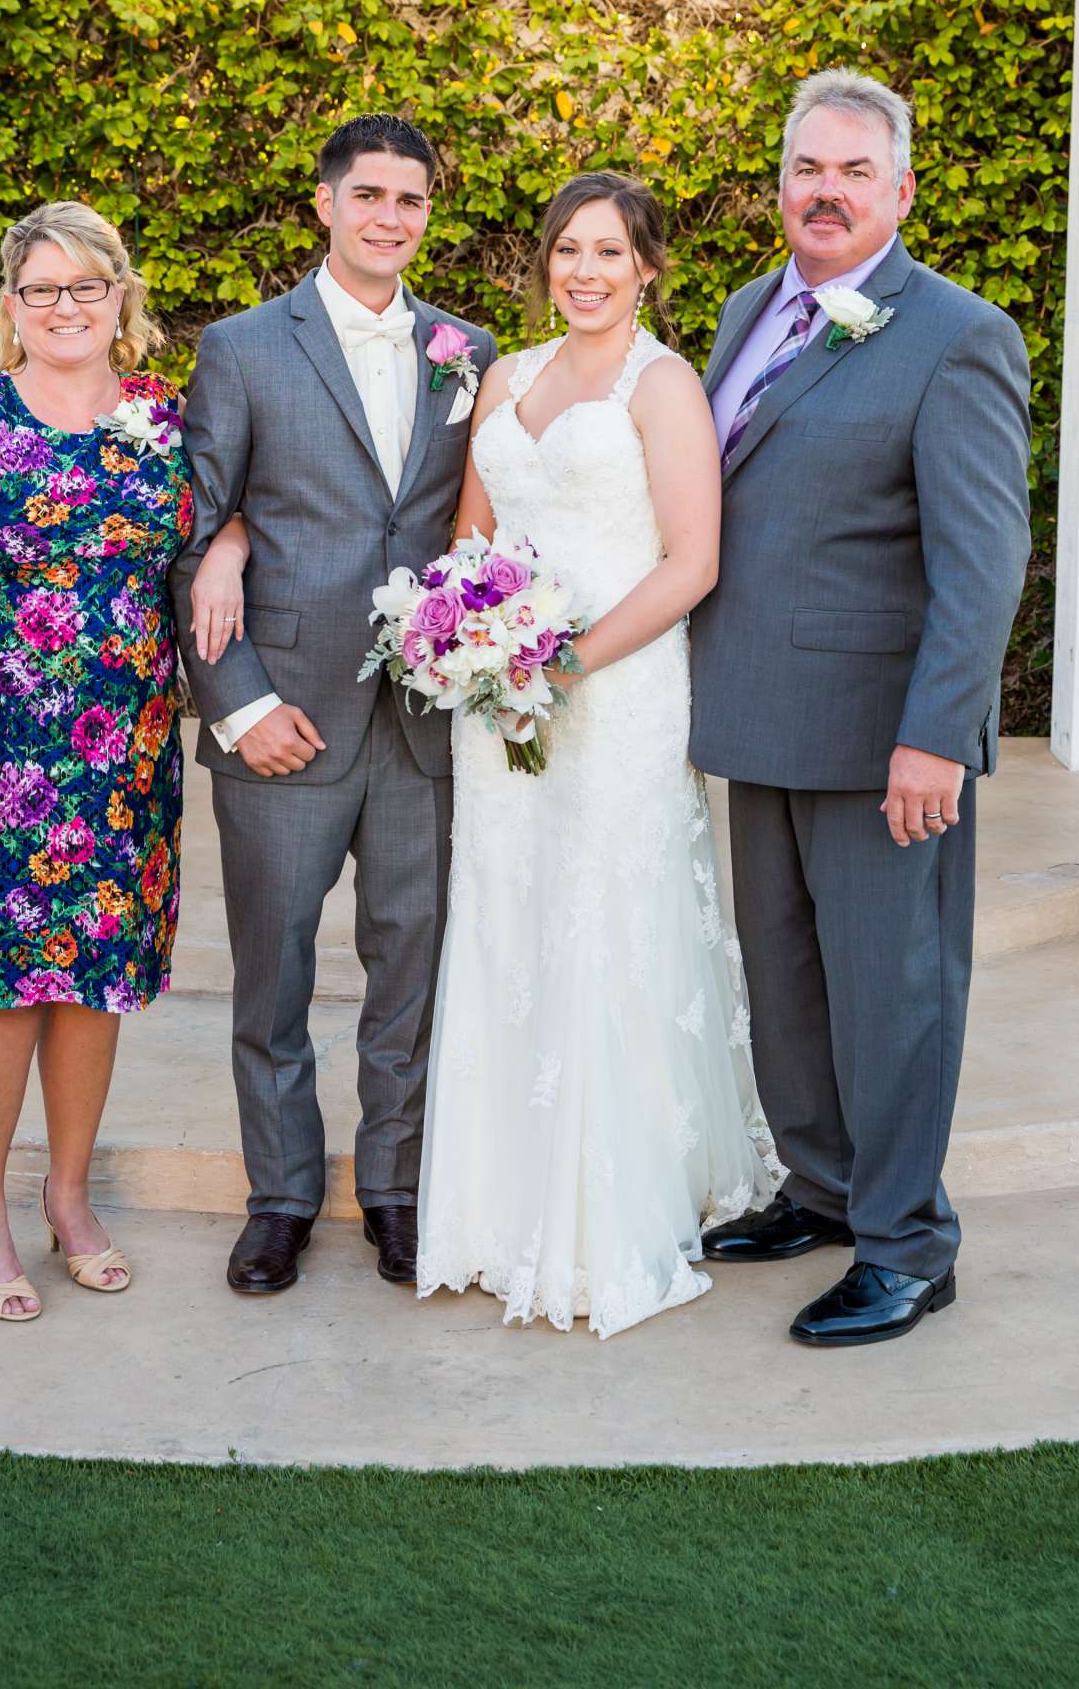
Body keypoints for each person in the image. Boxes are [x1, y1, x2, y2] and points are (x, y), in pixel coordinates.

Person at [691, 69, 1031, 1347]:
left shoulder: (956, 333)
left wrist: (938, 733)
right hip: (756, 717)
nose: (823, 193)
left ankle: (905, 1244)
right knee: (784, 984)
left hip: (885, 735)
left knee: (894, 994)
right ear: (780, 186)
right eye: (804, 171)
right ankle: (822, 1191)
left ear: (898, 190)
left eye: (851, 173)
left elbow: (984, 557)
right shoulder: (745, 313)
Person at [415, 172, 780, 1339]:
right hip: (501, 703)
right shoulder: (506, 377)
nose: (583, 270)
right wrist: (470, 639)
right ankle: (494, 1212)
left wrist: (560, 663)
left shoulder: (661, 385)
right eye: (566, 249)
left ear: (646, 268)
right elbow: (472, 534)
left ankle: (600, 1219)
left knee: (597, 924)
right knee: (507, 919)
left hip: (614, 697)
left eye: (607, 253)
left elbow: (690, 563)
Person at [172, 115, 496, 1298]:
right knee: (274, 979)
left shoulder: (473, 350)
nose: (389, 218)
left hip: (423, 722)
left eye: (411, 200)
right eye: (368, 194)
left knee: (411, 970)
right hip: (282, 721)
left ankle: (398, 1193)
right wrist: (239, 699)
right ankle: (280, 1199)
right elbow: (189, 532)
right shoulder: (246, 348)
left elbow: (484, 519)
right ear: (323, 202)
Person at [0, 201, 192, 1321]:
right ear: (10, 307)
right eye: (41, 290)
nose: (64, 308)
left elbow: (223, 524)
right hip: (2, 757)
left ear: (120, 296)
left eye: (85, 287)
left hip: (127, 752)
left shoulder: (166, 422)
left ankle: (68, 1198)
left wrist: (232, 555)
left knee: (94, 986)